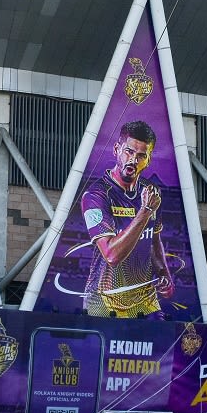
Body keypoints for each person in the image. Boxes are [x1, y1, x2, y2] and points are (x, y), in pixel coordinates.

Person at [78, 120, 175, 318]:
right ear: (116, 150)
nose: (133, 160)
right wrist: (145, 211)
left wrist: (163, 273)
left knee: (162, 337)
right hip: (104, 300)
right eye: (129, 152)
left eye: (141, 156)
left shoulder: (151, 192)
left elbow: (154, 240)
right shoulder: (96, 195)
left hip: (144, 301)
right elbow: (111, 255)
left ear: (148, 160)